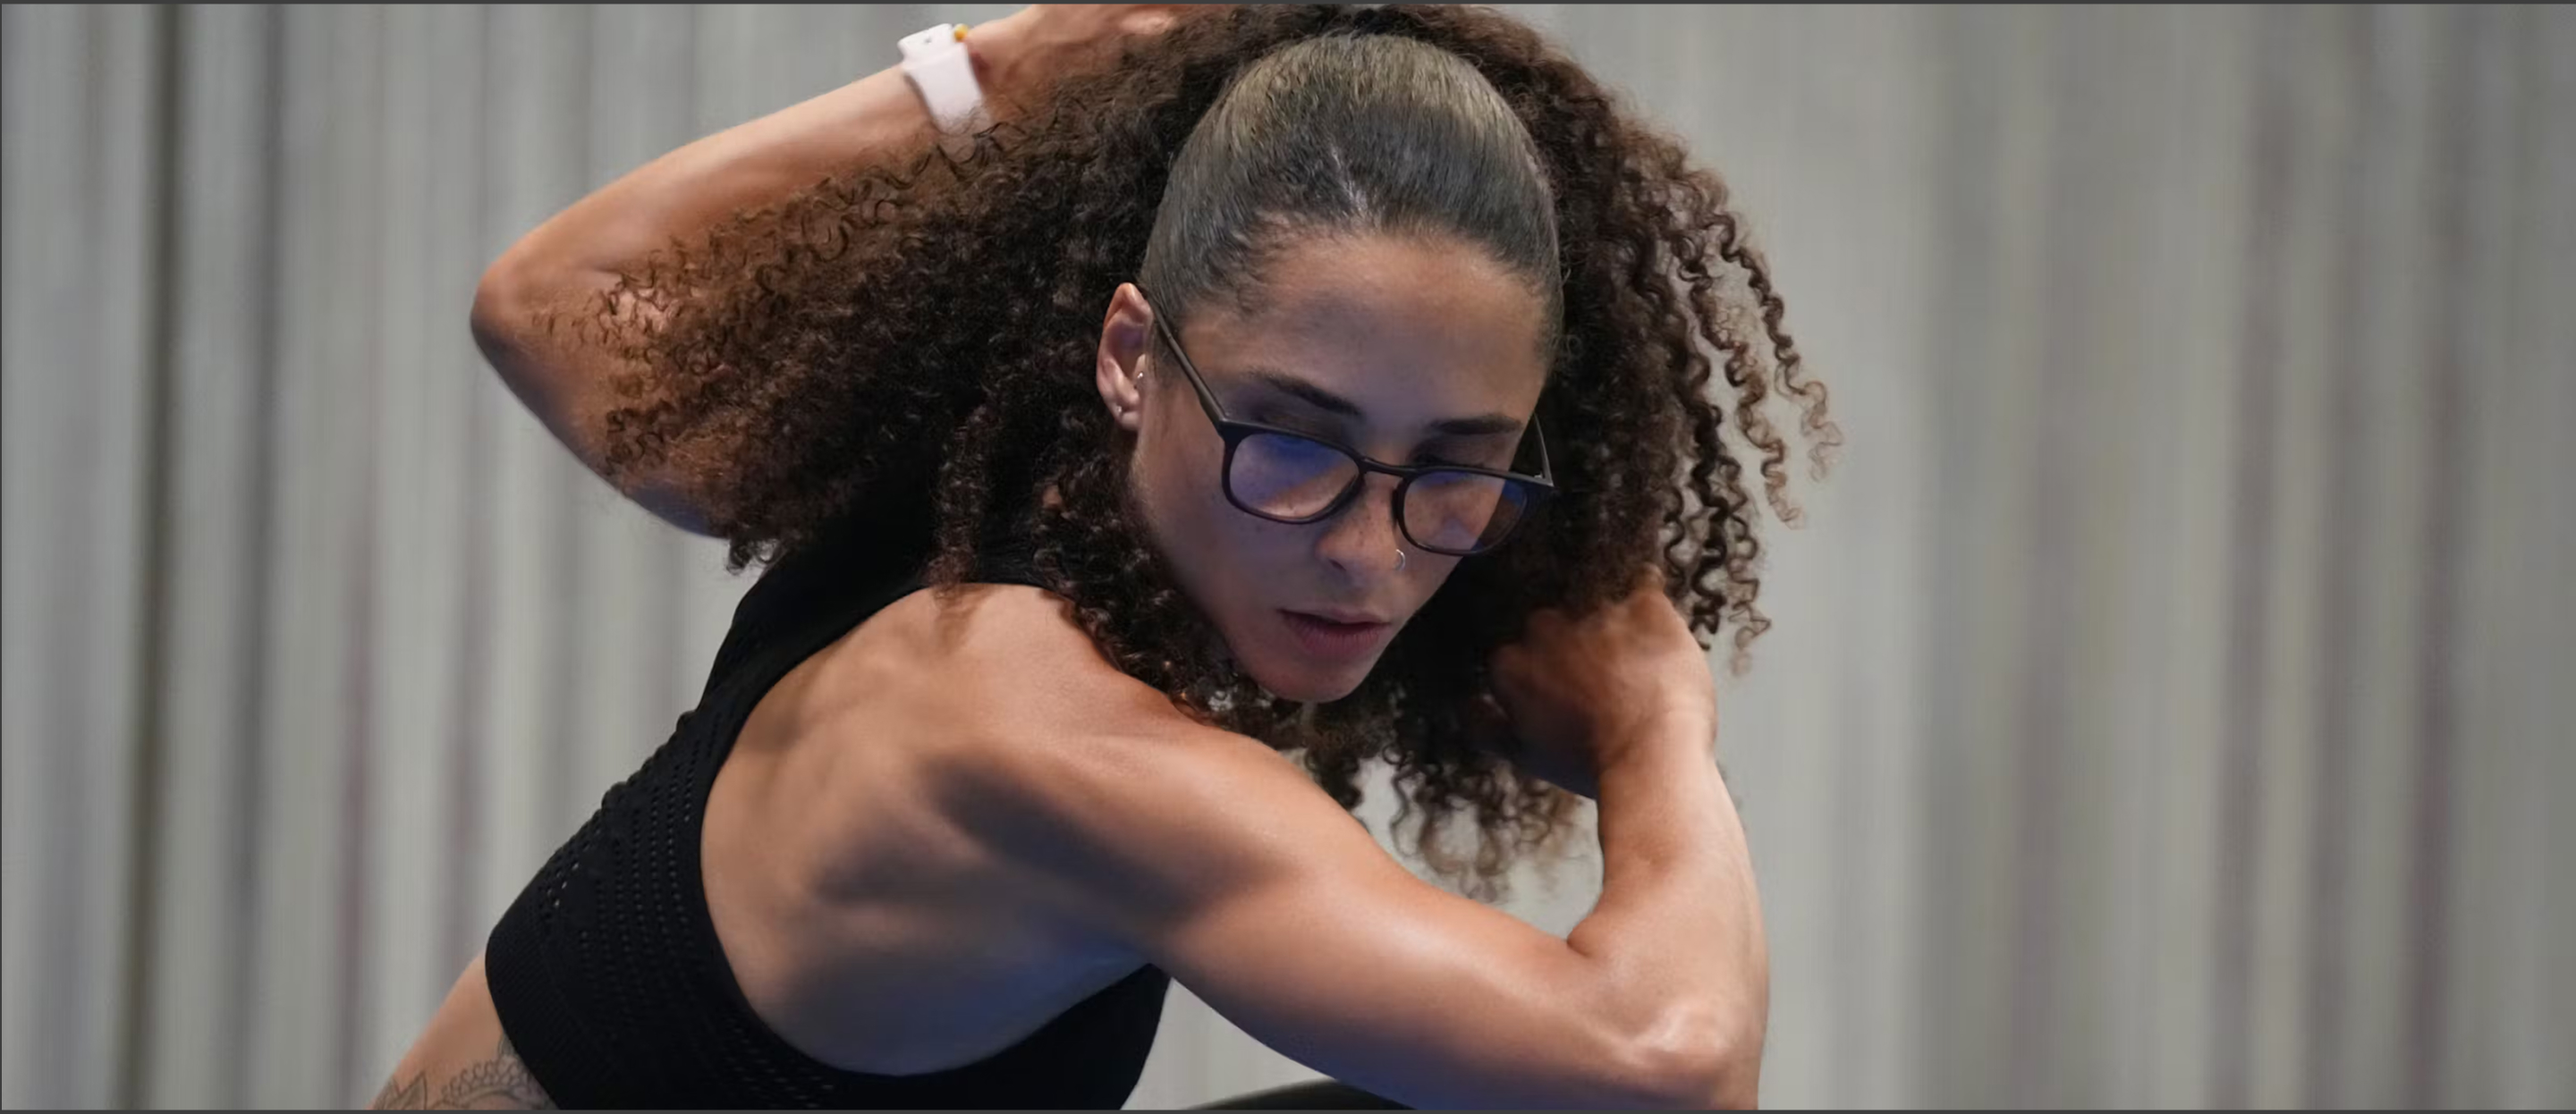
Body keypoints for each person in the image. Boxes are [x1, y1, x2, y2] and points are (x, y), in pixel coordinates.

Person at [377, 4, 1836, 1108]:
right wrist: (1659, 718)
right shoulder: (1031, 724)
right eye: (1295, 437)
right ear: (1131, 352)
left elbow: (550, 305)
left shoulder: (1027, 491)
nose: (1365, 551)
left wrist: (1005, 84)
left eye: (1452, 469)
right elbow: (1666, 1064)